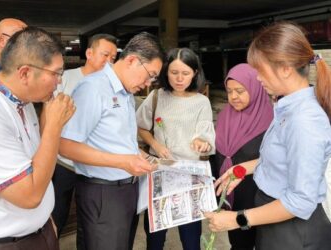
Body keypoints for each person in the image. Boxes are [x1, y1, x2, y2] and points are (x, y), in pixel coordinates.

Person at [204, 22, 331, 250]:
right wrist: (241, 169)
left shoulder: (304, 120)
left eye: (260, 70)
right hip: (276, 219)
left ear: (284, 68)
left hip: (293, 230)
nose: (258, 79)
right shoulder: (286, 107)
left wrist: (237, 219)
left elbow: (300, 201)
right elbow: (280, 158)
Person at [59, 32, 165, 250]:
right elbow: (66, 145)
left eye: (152, 79)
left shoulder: (125, 92)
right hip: (102, 193)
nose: (147, 84)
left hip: (126, 190)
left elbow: (119, 141)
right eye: (149, 75)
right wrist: (122, 162)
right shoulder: (93, 88)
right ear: (132, 60)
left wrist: (146, 158)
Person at [0, 27, 75, 250]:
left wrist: (46, 221)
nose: (59, 82)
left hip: (40, 232)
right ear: (24, 73)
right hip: (7, 243)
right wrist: (53, 126)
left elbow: (36, 160)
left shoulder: (24, 100)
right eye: (56, 73)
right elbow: (29, 195)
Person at [136, 47, 215, 250]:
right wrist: (155, 144)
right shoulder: (156, 97)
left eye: (186, 73)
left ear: (195, 73)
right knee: (154, 236)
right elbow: (141, 127)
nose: (179, 79)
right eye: (174, 72)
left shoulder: (202, 102)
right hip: (160, 172)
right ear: (166, 72)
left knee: (191, 238)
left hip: (189, 175)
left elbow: (206, 137)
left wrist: (202, 143)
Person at [51, 33, 118, 238]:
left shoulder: (113, 84)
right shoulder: (66, 78)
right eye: (105, 55)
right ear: (89, 53)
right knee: (57, 215)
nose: (109, 62)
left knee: (88, 221)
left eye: (113, 58)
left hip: (94, 166)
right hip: (64, 163)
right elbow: (51, 115)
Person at [209, 63, 273, 250]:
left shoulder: (270, 121)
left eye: (240, 90)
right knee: (238, 244)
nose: (233, 97)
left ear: (255, 88)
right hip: (233, 196)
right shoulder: (224, 116)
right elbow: (218, 155)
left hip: (260, 198)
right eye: (229, 91)